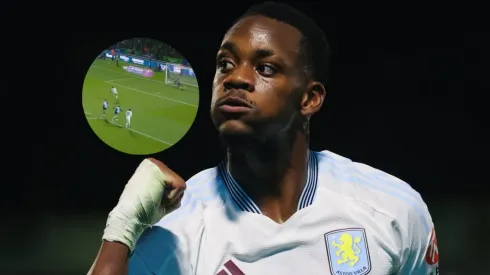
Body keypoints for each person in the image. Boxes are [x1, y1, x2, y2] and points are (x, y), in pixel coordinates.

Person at [88, 2, 439, 275]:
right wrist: (121, 228)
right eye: (225, 64)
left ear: (309, 99)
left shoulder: (393, 210)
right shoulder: (176, 233)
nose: (235, 78)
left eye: (265, 68)